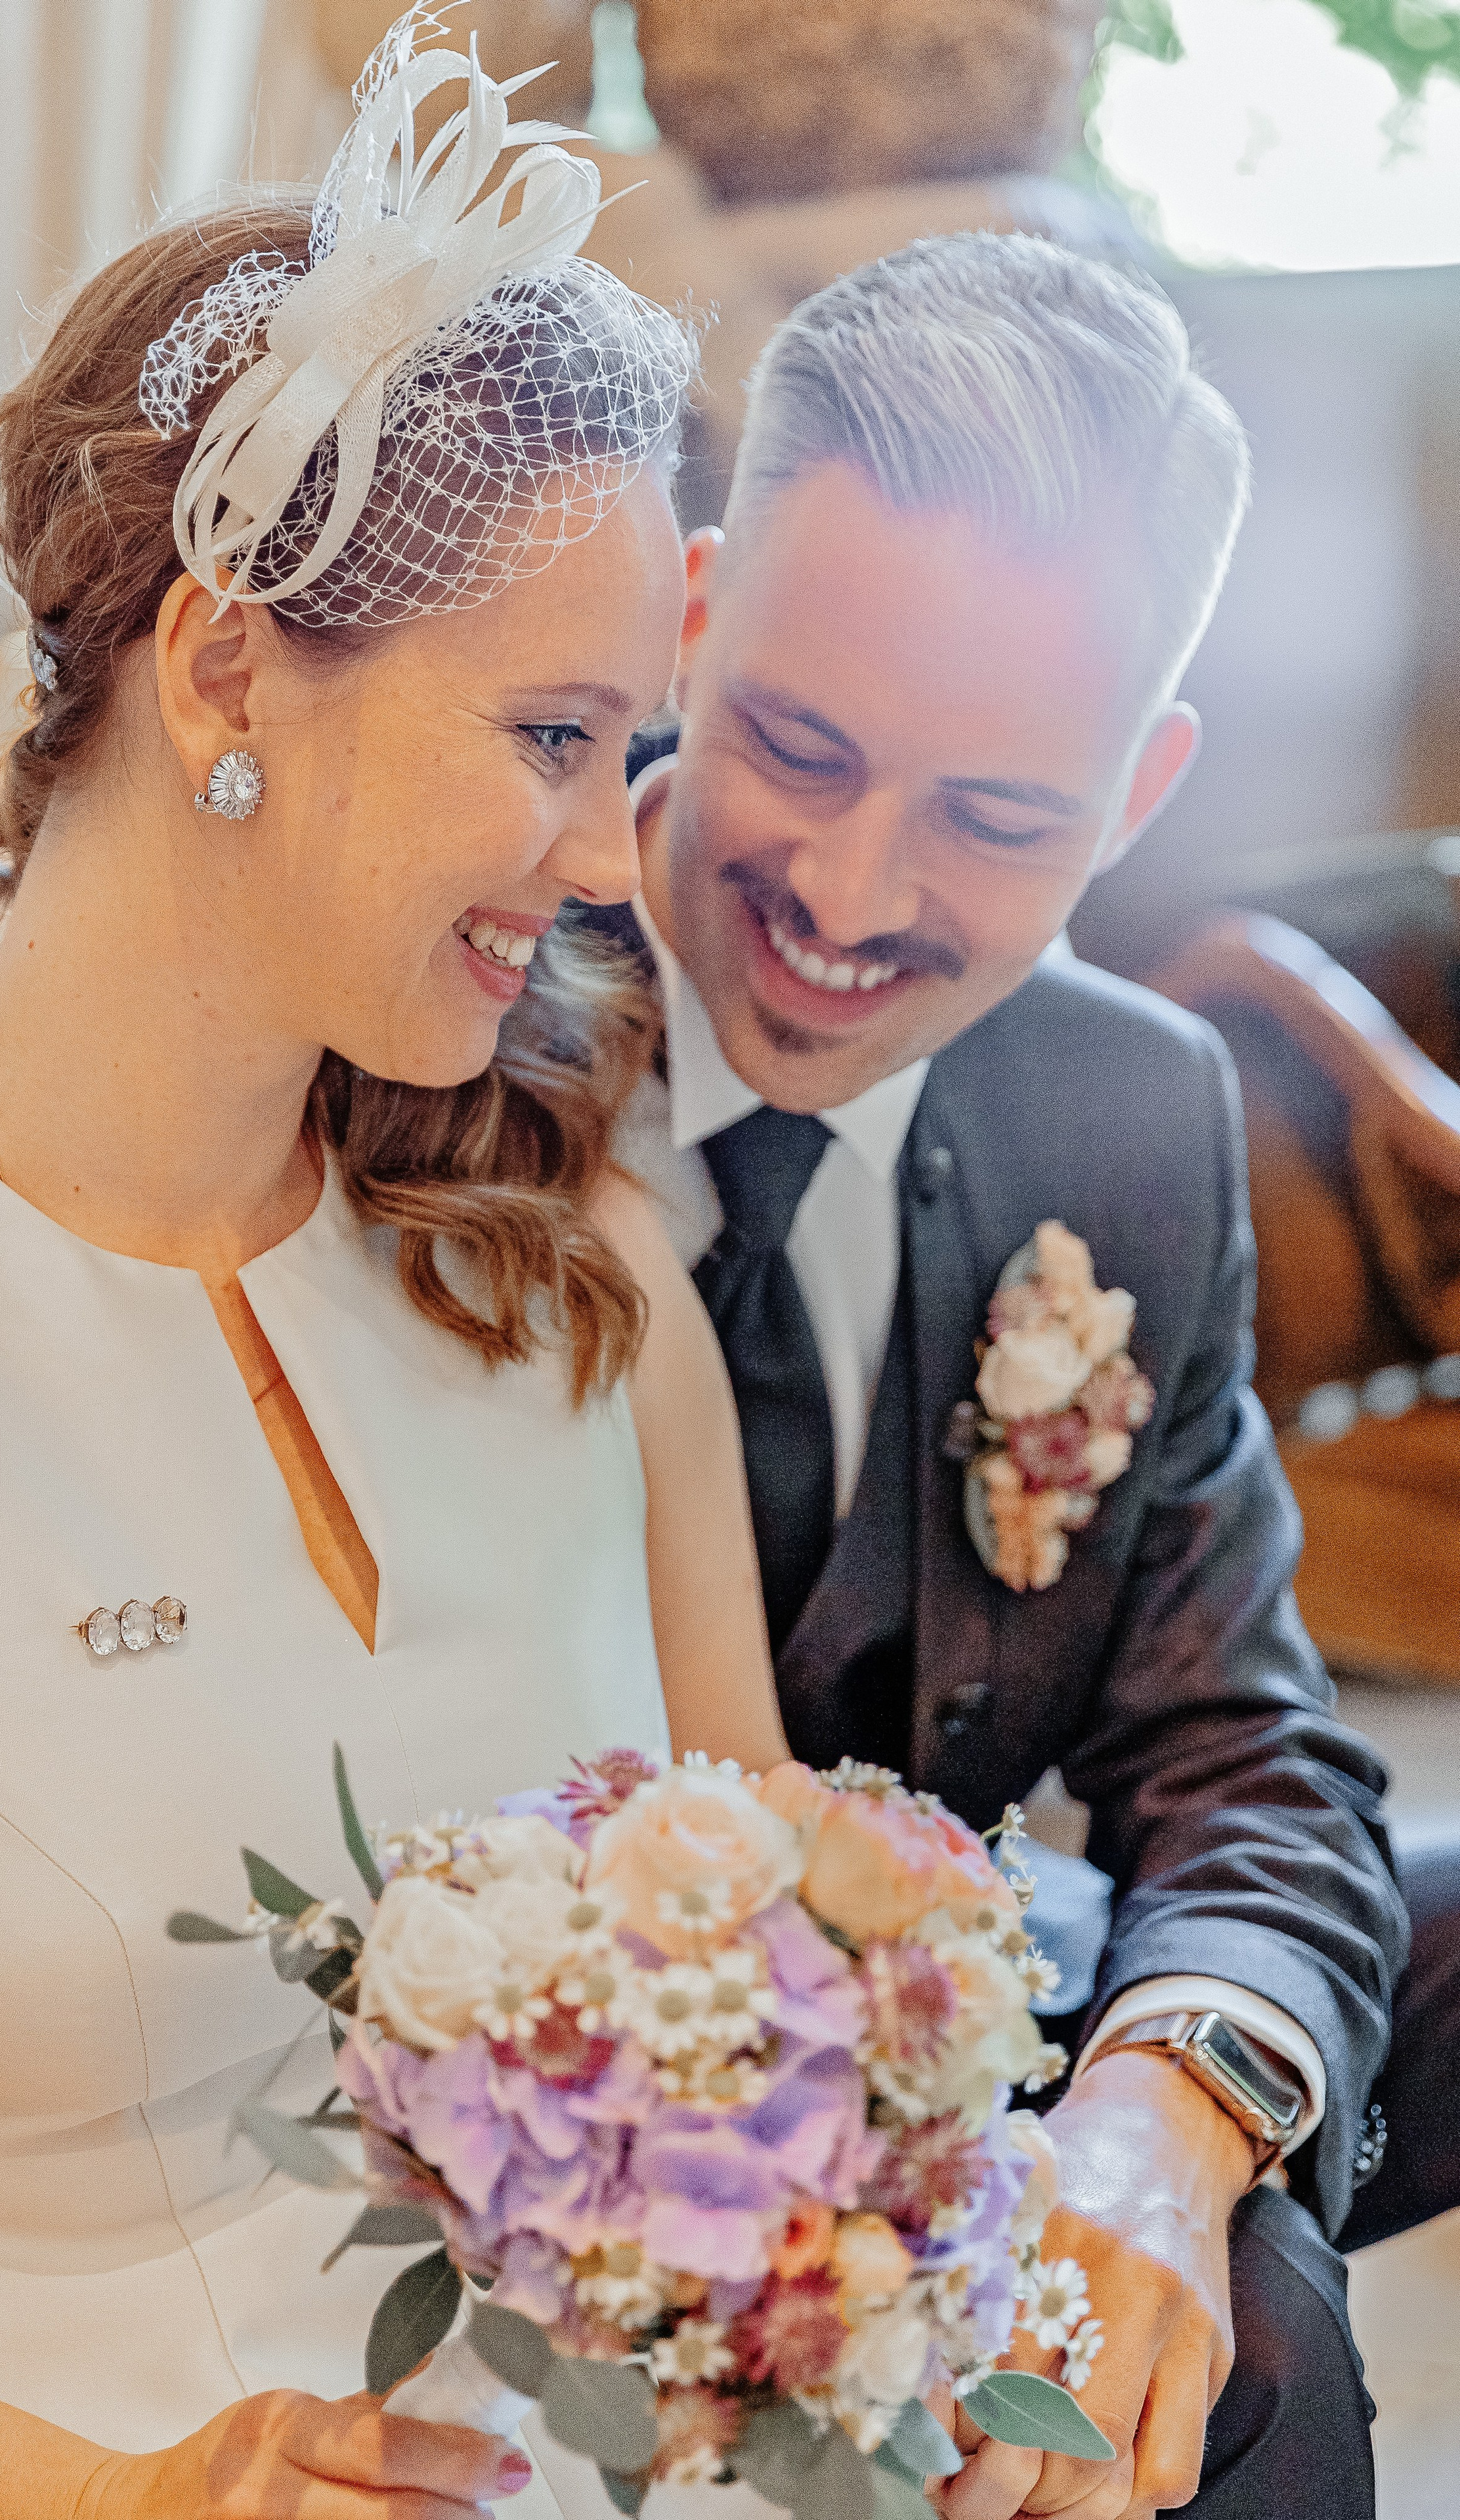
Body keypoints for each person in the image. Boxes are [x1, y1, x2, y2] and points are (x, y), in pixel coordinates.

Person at [0, 24, 786, 2520]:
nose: (602, 860)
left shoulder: (590, 1297)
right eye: (550, 733)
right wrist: (128, 2502)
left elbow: (790, 2014)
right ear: (226, 665)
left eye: (627, 757)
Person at [582, 236, 1445, 2519]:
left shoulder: (1130, 1116)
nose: (851, 894)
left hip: (995, 1983)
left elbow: (1239, 1744)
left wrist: (1168, 2113)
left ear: (1145, 781)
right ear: (691, 612)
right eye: (796, 745)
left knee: (1238, 2144)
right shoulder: (434, 1022)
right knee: (1258, 2336)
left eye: (996, 819)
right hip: (544, 2059)